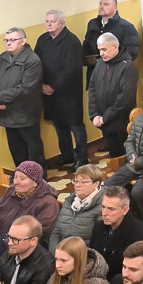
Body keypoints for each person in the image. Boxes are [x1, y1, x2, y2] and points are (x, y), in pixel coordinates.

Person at [34, 10, 88, 170]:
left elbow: (72, 69)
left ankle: (82, 158)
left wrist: (53, 87)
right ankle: (66, 155)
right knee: (59, 125)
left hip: (68, 93)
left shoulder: (71, 41)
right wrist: (41, 85)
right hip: (48, 93)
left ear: (62, 23)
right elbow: (36, 63)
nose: (49, 24)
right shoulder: (43, 39)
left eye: (53, 21)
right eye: (47, 21)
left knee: (75, 126)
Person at [0, 27, 45, 167]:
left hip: (25, 112)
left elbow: (25, 88)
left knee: (34, 149)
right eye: (6, 40)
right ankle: (21, 177)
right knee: (16, 149)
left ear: (23, 41)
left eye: (13, 40)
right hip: (6, 111)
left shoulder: (32, 60)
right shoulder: (3, 57)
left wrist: (0, 98)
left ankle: (40, 180)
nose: (8, 43)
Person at [87, 33, 139, 158]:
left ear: (115, 47)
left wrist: (106, 117)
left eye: (104, 50)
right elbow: (92, 88)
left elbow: (125, 98)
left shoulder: (128, 67)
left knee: (125, 159)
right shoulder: (100, 63)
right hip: (105, 123)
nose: (101, 54)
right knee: (113, 157)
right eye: (99, 50)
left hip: (121, 123)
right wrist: (95, 115)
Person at [0, 161, 61, 242]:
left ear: (35, 183)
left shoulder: (48, 203)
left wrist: (6, 242)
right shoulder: (11, 190)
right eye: (15, 177)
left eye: (22, 178)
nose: (16, 182)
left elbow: (37, 234)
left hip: (19, 246)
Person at [88, 186, 143, 277]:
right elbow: (92, 257)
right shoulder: (98, 227)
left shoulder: (140, 235)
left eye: (111, 209)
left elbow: (138, 274)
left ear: (125, 210)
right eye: (103, 207)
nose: (104, 213)